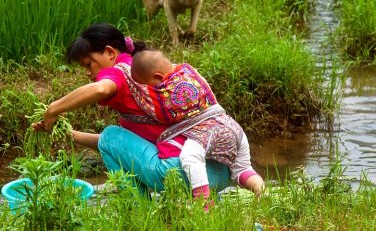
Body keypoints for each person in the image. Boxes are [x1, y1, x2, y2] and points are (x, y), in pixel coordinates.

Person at [32, 22, 231, 195]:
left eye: (88, 64)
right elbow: (116, 147)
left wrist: (53, 109)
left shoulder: (121, 71)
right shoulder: (143, 77)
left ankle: (138, 209)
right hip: (215, 173)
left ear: (110, 53)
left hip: (182, 174)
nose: (88, 73)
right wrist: (70, 135)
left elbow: (101, 89)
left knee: (111, 134)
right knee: (112, 138)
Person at [130, 48, 264, 200]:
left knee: (191, 157)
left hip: (208, 131)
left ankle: (203, 203)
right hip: (232, 126)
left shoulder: (165, 93)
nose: (148, 89)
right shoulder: (188, 70)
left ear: (158, 77)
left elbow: (152, 108)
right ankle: (262, 193)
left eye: (147, 84)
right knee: (243, 169)